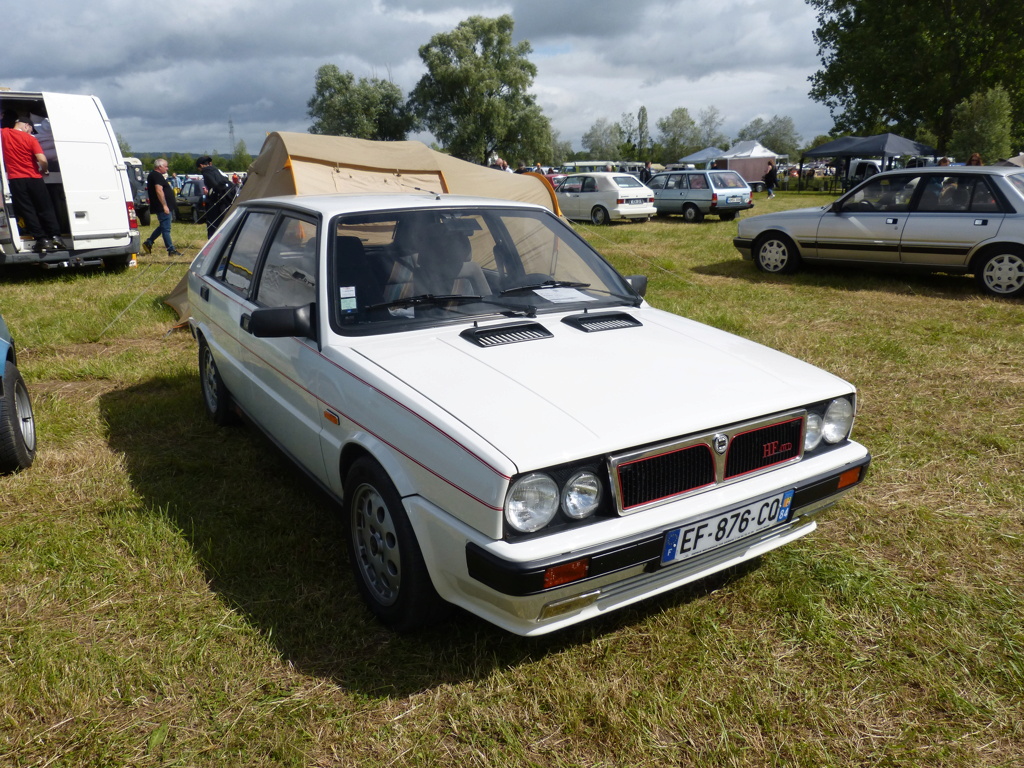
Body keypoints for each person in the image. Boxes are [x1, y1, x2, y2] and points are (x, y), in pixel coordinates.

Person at [0, 116, 65, 252]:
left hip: (16, 180)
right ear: (27, 126)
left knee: (28, 210)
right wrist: (45, 169)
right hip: (34, 178)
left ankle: (41, 239)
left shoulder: (4, 133)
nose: (31, 132)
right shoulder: (30, 139)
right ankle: (55, 236)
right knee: (45, 207)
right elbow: (42, 158)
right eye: (31, 130)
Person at [142, 158, 180, 256]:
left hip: (163, 206)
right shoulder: (156, 175)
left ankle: (149, 242)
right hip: (162, 207)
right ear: (159, 167)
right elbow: (159, 190)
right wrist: (164, 205)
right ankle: (171, 250)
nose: (167, 168)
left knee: (163, 226)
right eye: (166, 166)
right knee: (166, 229)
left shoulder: (156, 175)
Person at [196, 155, 234, 237]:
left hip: (218, 201)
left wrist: (209, 192)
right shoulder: (217, 170)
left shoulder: (206, 172)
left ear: (201, 165)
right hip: (228, 199)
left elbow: (214, 185)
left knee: (214, 224)